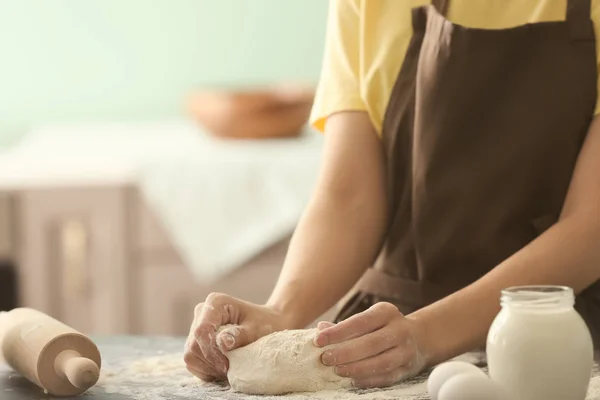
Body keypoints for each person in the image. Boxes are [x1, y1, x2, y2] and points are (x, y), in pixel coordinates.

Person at [184, 0, 600, 389]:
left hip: (558, 340)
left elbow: (589, 229)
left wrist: (426, 335)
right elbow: (348, 198)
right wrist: (281, 312)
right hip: (384, 340)